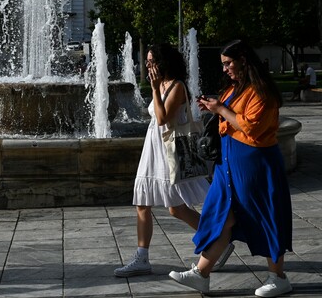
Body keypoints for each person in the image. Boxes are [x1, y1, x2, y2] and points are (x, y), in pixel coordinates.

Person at [169, 40, 292, 297]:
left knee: (265, 216)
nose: (225, 69)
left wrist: (221, 109)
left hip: (256, 166)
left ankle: (278, 277)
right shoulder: (236, 88)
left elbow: (250, 127)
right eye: (223, 64)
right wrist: (214, 108)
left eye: (228, 63)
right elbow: (227, 118)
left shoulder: (262, 91)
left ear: (244, 60)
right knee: (221, 217)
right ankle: (201, 274)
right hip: (229, 166)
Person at [114, 43, 216, 278]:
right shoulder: (162, 85)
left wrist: (154, 87)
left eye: (152, 61)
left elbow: (162, 118)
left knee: (176, 208)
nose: (148, 65)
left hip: (170, 151)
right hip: (153, 148)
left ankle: (216, 241)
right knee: (142, 201)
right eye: (147, 62)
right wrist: (156, 87)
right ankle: (142, 257)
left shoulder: (177, 87)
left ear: (164, 62)